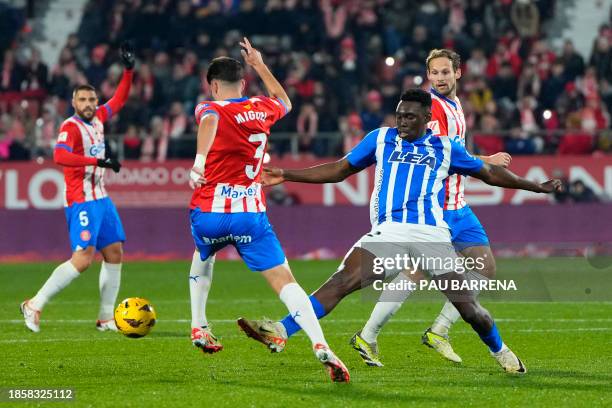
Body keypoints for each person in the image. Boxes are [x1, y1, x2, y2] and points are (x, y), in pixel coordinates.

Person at [238, 88, 562, 374]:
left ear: (427, 118)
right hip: (390, 233)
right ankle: (281, 328)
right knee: (342, 281)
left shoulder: (446, 148)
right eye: (399, 115)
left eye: (409, 116)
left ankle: (501, 351)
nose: (402, 122)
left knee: (469, 309)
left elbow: (492, 174)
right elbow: (340, 169)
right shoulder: (380, 138)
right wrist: (287, 174)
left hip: (432, 236)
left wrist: (535, 186)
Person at [187, 38, 349, 382]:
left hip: (210, 212)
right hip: (250, 215)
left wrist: (199, 161)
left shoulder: (210, 108)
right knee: (285, 282)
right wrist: (260, 64)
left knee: (203, 256)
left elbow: (209, 122)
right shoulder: (262, 107)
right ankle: (320, 345)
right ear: (242, 83)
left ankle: (199, 325)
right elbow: (286, 101)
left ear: (213, 85)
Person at [355, 49, 513, 365]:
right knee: (415, 272)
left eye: (444, 72)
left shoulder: (456, 106)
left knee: (484, 268)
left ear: (458, 73)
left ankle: (436, 330)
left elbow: (455, 151)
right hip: (435, 207)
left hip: (457, 203)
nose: (439, 78)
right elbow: (436, 151)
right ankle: (369, 335)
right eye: (434, 73)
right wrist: (486, 161)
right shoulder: (433, 109)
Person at [20, 43, 135, 333]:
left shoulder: (98, 119)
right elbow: (60, 156)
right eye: (82, 99)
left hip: (101, 198)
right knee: (82, 260)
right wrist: (98, 160)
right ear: (74, 103)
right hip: (80, 200)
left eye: (92, 99)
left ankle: (106, 318)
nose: (88, 104)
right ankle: (34, 303)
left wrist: (129, 71)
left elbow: (119, 101)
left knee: (114, 253)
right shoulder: (70, 128)